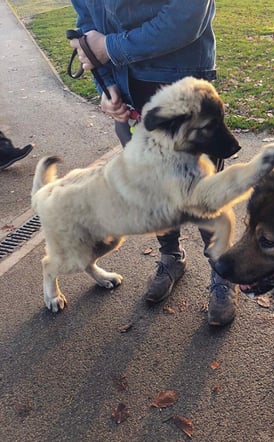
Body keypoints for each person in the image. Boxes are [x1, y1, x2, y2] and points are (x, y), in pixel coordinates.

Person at [69, 0, 238, 326]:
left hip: (181, 87)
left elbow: (187, 16)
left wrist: (111, 49)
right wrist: (105, 86)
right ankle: (170, 256)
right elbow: (86, 26)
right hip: (129, 93)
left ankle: (223, 270)